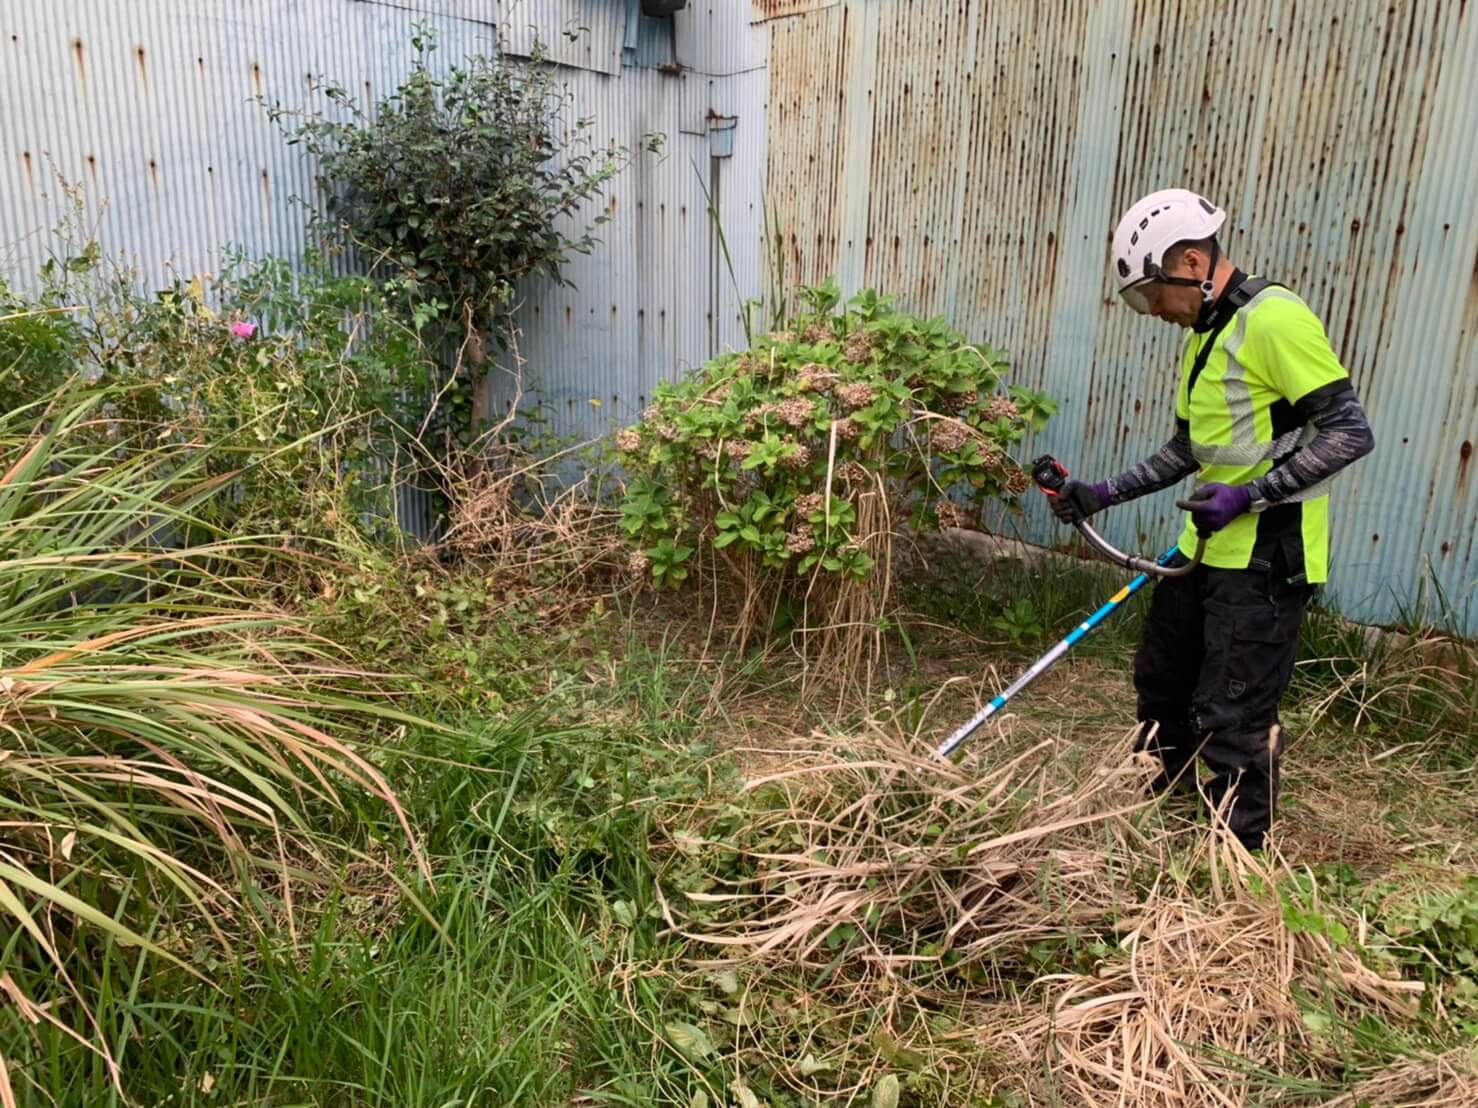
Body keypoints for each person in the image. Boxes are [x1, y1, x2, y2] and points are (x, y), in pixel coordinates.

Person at [1049, 188, 1375, 851]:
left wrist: (1250, 496)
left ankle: (1234, 864)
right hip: (1201, 549)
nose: (1155, 312)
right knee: (1162, 682)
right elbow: (1188, 450)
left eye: (1155, 294)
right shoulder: (1208, 335)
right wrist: (1102, 493)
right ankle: (1165, 820)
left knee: (1232, 714)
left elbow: (1349, 433)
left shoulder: (1275, 320)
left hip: (1266, 558)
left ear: (1193, 264)